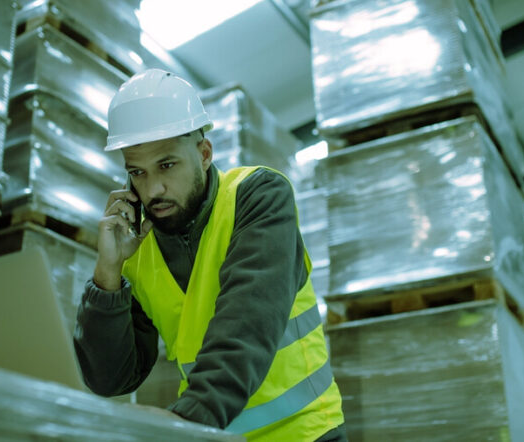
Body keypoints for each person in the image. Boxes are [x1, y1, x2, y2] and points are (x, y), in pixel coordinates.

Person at [74, 69, 346, 441]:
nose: (153, 189)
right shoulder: (136, 249)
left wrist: (187, 422)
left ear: (204, 154)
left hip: (305, 432)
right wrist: (107, 274)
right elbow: (111, 379)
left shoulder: (258, 197)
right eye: (137, 172)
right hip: (213, 436)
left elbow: (247, 321)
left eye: (167, 165)